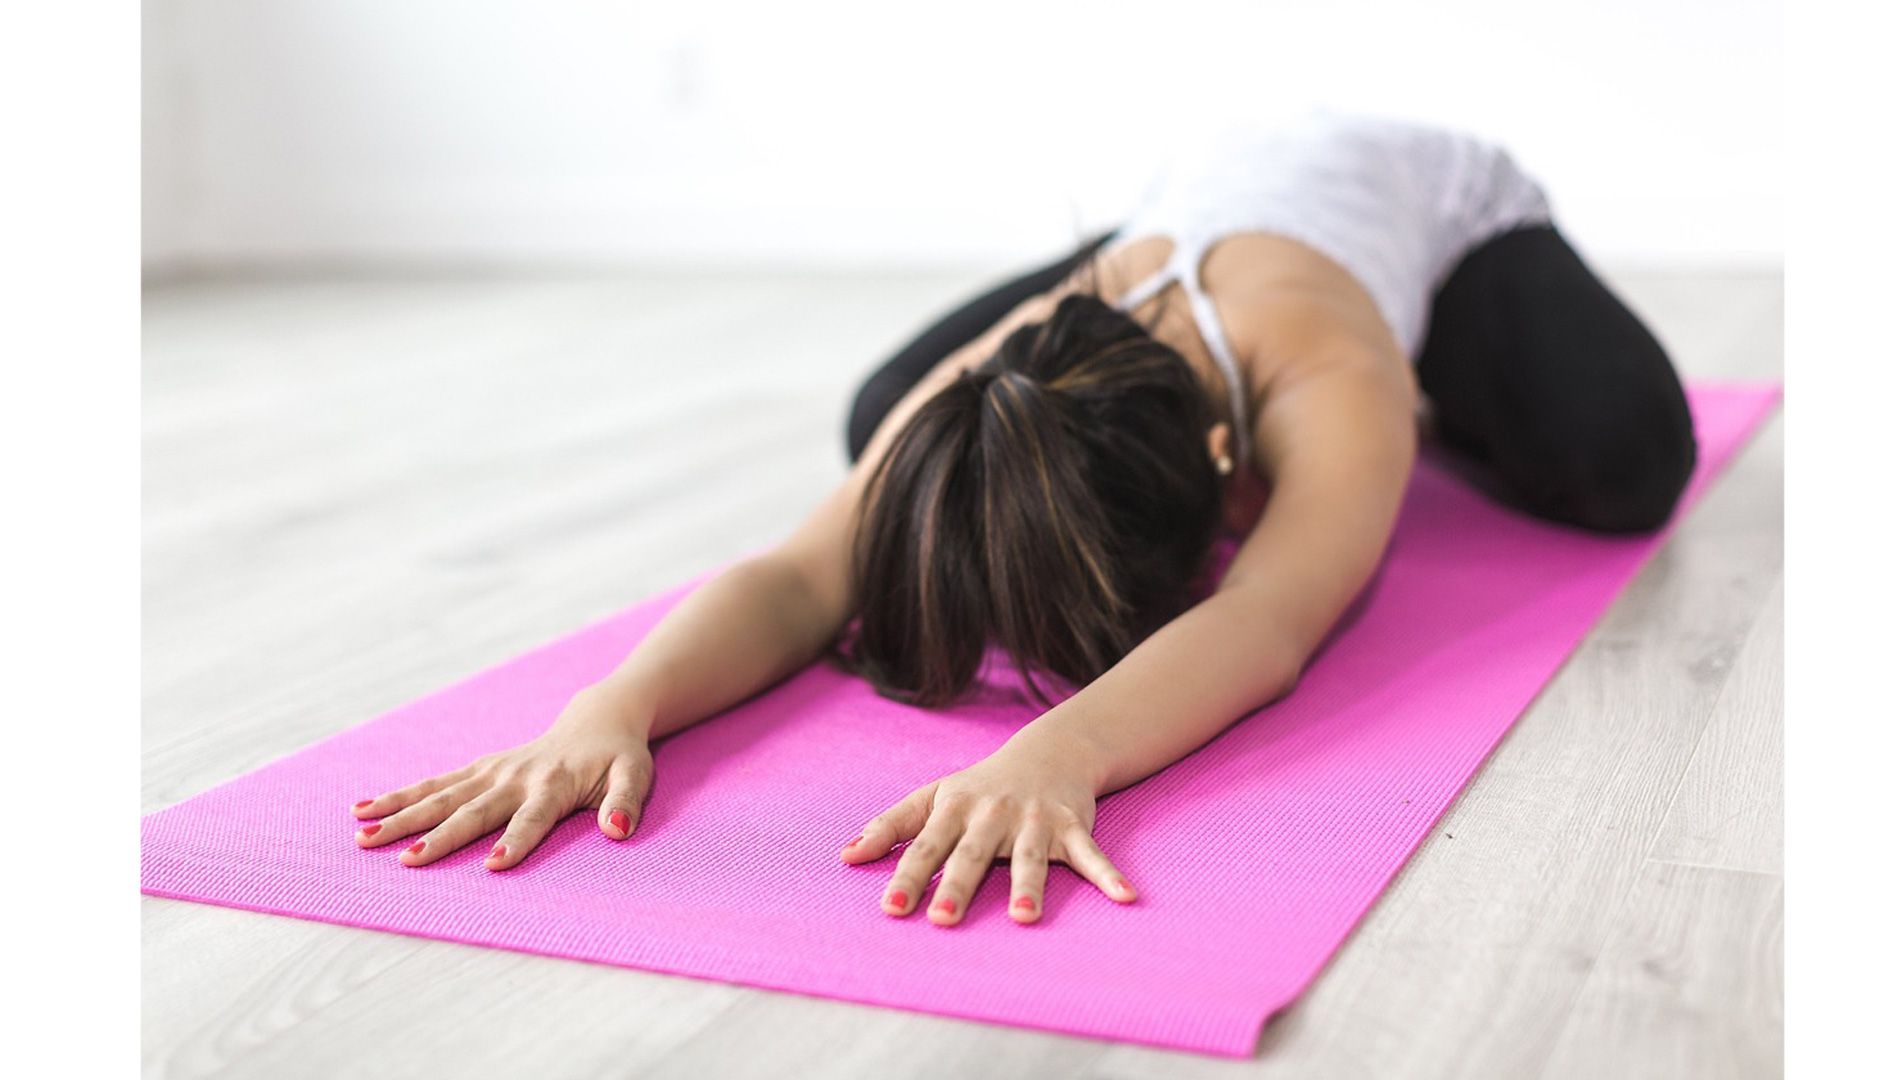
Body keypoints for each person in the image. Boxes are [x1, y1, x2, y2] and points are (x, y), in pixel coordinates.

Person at [348, 111, 1697, 927]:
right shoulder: (1012, 363)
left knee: (1630, 463)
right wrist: (609, 709)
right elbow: (797, 577)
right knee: (894, 420)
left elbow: (1272, 620)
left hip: (1435, 217)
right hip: (1181, 219)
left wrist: (1058, 754)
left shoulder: (1332, 378)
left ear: (1236, 476)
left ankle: (1458, 391)